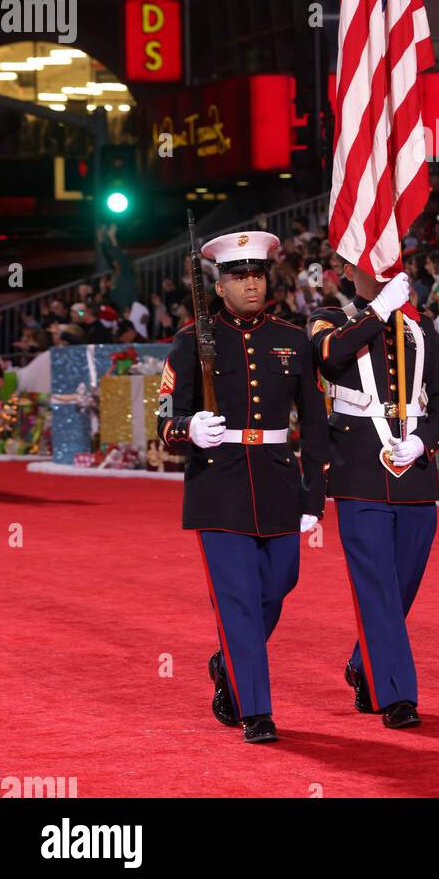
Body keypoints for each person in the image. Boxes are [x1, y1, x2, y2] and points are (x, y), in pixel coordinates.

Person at [156, 231, 328, 744]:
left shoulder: (291, 338)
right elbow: (164, 414)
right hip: (219, 483)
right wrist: (189, 429)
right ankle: (255, 710)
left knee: (278, 586)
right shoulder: (191, 340)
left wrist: (313, 496)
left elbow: (315, 425)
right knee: (238, 599)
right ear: (220, 283)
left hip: (277, 479)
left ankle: (227, 663)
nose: (251, 284)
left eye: (257, 275)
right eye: (238, 277)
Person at [310, 265, 439, 731]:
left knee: (403, 584)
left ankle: (362, 662)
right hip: (359, 469)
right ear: (349, 272)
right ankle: (395, 693)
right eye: (366, 264)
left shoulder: (421, 326)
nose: (379, 270)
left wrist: (425, 441)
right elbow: (331, 357)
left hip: (413, 469)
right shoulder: (329, 318)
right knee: (376, 584)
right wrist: (378, 310)